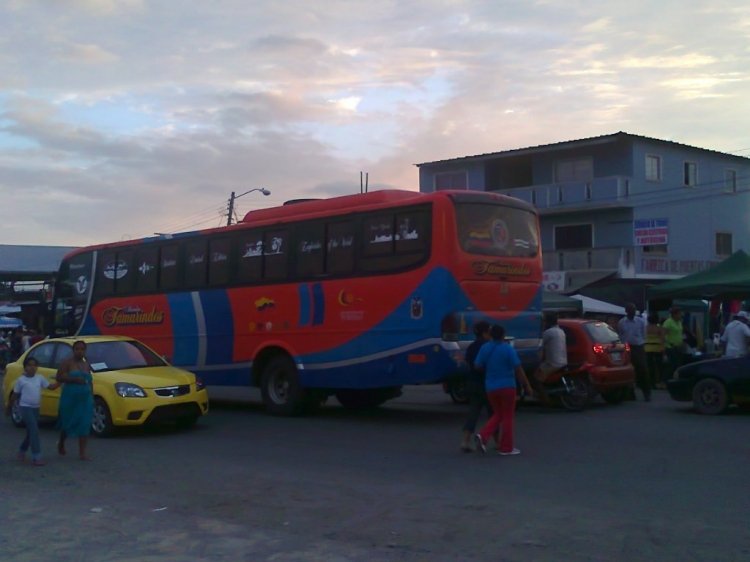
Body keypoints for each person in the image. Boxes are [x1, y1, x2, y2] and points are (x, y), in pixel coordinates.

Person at [473, 324, 533, 456]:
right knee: (507, 416)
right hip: (507, 386)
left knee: (499, 414)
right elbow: (518, 369)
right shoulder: (507, 349)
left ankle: (483, 436)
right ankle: (506, 447)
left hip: (490, 387)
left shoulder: (485, 348)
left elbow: (477, 365)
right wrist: (527, 385)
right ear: (503, 335)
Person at [7, 357, 60, 466]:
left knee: (30, 432)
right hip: (25, 407)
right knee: (34, 430)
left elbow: (51, 387)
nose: (32, 367)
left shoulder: (39, 378)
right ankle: (37, 456)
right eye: (29, 365)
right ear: (25, 367)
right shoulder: (21, 380)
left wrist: (61, 380)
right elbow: (15, 395)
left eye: (34, 365)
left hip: (35, 408)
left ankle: (22, 450)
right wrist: (9, 407)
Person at [56, 340, 94, 461]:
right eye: (77, 349)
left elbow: (90, 380)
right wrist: (73, 379)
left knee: (85, 423)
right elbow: (59, 377)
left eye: (82, 349)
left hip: (85, 398)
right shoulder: (67, 363)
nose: (80, 351)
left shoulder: (86, 363)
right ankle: (61, 442)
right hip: (70, 397)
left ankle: (82, 453)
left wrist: (91, 394)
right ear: (73, 350)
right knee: (68, 422)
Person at [460, 321, 493, 452]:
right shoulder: (488, 347)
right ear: (485, 332)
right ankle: (495, 440)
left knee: (473, 413)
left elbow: (468, 362)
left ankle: (465, 440)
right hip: (487, 383)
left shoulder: (472, 346)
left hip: (473, 382)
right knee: (493, 413)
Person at [618, 303, 650, 401]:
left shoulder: (640, 321)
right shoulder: (622, 322)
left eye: (633, 310)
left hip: (638, 347)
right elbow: (621, 335)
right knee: (629, 370)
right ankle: (631, 394)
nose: (632, 312)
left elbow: (644, 334)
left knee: (642, 370)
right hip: (627, 348)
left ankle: (646, 393)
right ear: (626, 311)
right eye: (630, 310)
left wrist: (641, 343)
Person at [531, 312, 567, 398]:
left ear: (548, 322)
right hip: (563, 361)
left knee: (536, 379)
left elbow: (539, 344)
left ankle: (544, 399)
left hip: (552, 363)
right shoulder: (561, 331)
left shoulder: (548, 333)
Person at [662, 307, 684, 380]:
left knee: (677, 365)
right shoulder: (668, 322)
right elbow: (663, 335)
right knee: (672, 365)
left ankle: (673, 380)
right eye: (679, 314)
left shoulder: (679, 322)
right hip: (670, 347)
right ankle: (665, 381)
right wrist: (664, 349)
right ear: (674, 314)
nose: (681, 315)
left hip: (678, 347)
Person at [644, 313, 666, 389]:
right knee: (659, 367)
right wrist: (663, 349)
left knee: (650, 366)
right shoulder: (659, 328)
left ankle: (650, 382)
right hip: (657, 348)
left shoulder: (645, 328)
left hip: (647, 348)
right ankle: (658, 382)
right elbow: (663, 339)